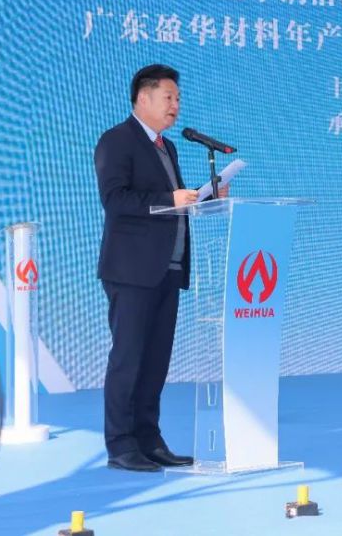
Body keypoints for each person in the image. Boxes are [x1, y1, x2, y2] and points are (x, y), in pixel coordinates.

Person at [94, 64, 225, 472]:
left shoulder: (166, 147)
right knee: (129, 358)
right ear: (143, 97)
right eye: (169, 97)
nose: (175, 105)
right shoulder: (117, 140)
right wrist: (170, 198)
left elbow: (172, 203)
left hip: (168, 267)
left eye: (178, 98)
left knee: (155, 363)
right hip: (132, 270)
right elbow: (116, 200)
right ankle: (120, 445)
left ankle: (149, 440)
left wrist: (205, 197)